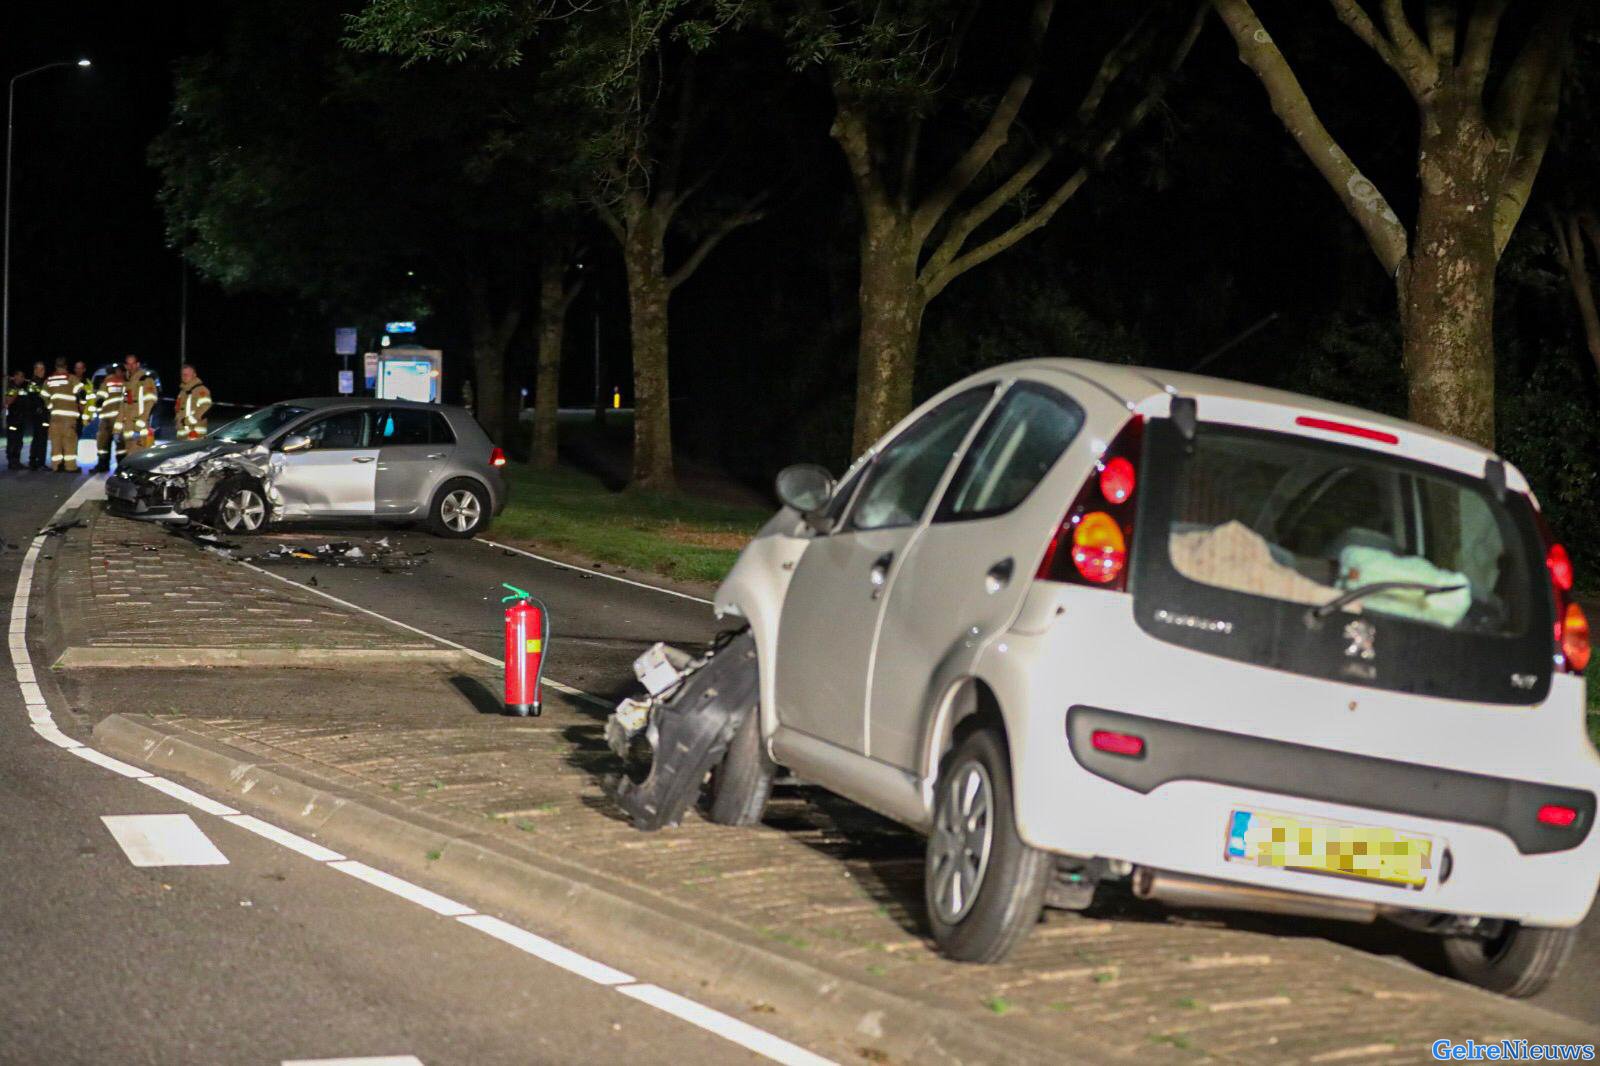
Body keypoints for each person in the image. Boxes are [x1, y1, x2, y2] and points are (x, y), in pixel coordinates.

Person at [44, 358, 81, 472]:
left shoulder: (49, 379)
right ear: (66, 366)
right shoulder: (71, 378)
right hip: (69, 418)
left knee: (56, 441)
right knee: (69, 441)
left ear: (55, 366)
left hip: (55, 417)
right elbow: (81, 392)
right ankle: (70, 467)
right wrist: (81, 407)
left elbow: (44, 395)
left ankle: (56, 466)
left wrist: (50, 406)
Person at [122, 354, 158, 454]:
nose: (131, 366)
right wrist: (117, 428)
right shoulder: (127, 383)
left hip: (140, 427)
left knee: (141, 455)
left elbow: (150, 402)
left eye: (133, 364)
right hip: (128, 427)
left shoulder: (146, 380)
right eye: (128, 364)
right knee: (130, 455)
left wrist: (141, 422)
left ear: (138, 364)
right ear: (125, 366)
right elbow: (123, 405)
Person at [94, 365, 125, 473]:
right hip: (119, 417)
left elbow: (99, 399)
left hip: (106, 417)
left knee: (103, 442)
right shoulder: (124, 382)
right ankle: (121, 466)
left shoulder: (106, 382)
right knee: (120, 443)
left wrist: (98, 409)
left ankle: (102, 465)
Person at [174, 364, 212, 439]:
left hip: (195, 433)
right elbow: (179, 410)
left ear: (194, 375)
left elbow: (206, 408)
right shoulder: (183, 391)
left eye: (187, 374)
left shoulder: (201, 390)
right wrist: (178, 421)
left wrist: (188, 421)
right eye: (183, 374)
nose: (184, 376)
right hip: (182, 433)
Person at [26, 362, 50, 469]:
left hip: (42, 414)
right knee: (40, 438)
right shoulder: (34, 383)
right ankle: (37, 462)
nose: (42, 372)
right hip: (39, 414)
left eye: (43, 369)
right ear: (35, 370)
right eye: (39, 369)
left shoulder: (42, 382)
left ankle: (36, 461)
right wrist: (39, 409)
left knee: (40, 437)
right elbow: (34, 398)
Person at [4, 369, 27, 470]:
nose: (21, 378)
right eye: (19, 376)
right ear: (15, 377)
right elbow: (7, 401)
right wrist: (15, 394)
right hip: (13, 419)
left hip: (21, 419)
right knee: (12, 440)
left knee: (19, 441)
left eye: (22, 376)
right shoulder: (11, 388)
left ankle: (17, 461)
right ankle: (11, 462)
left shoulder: (23, 389)